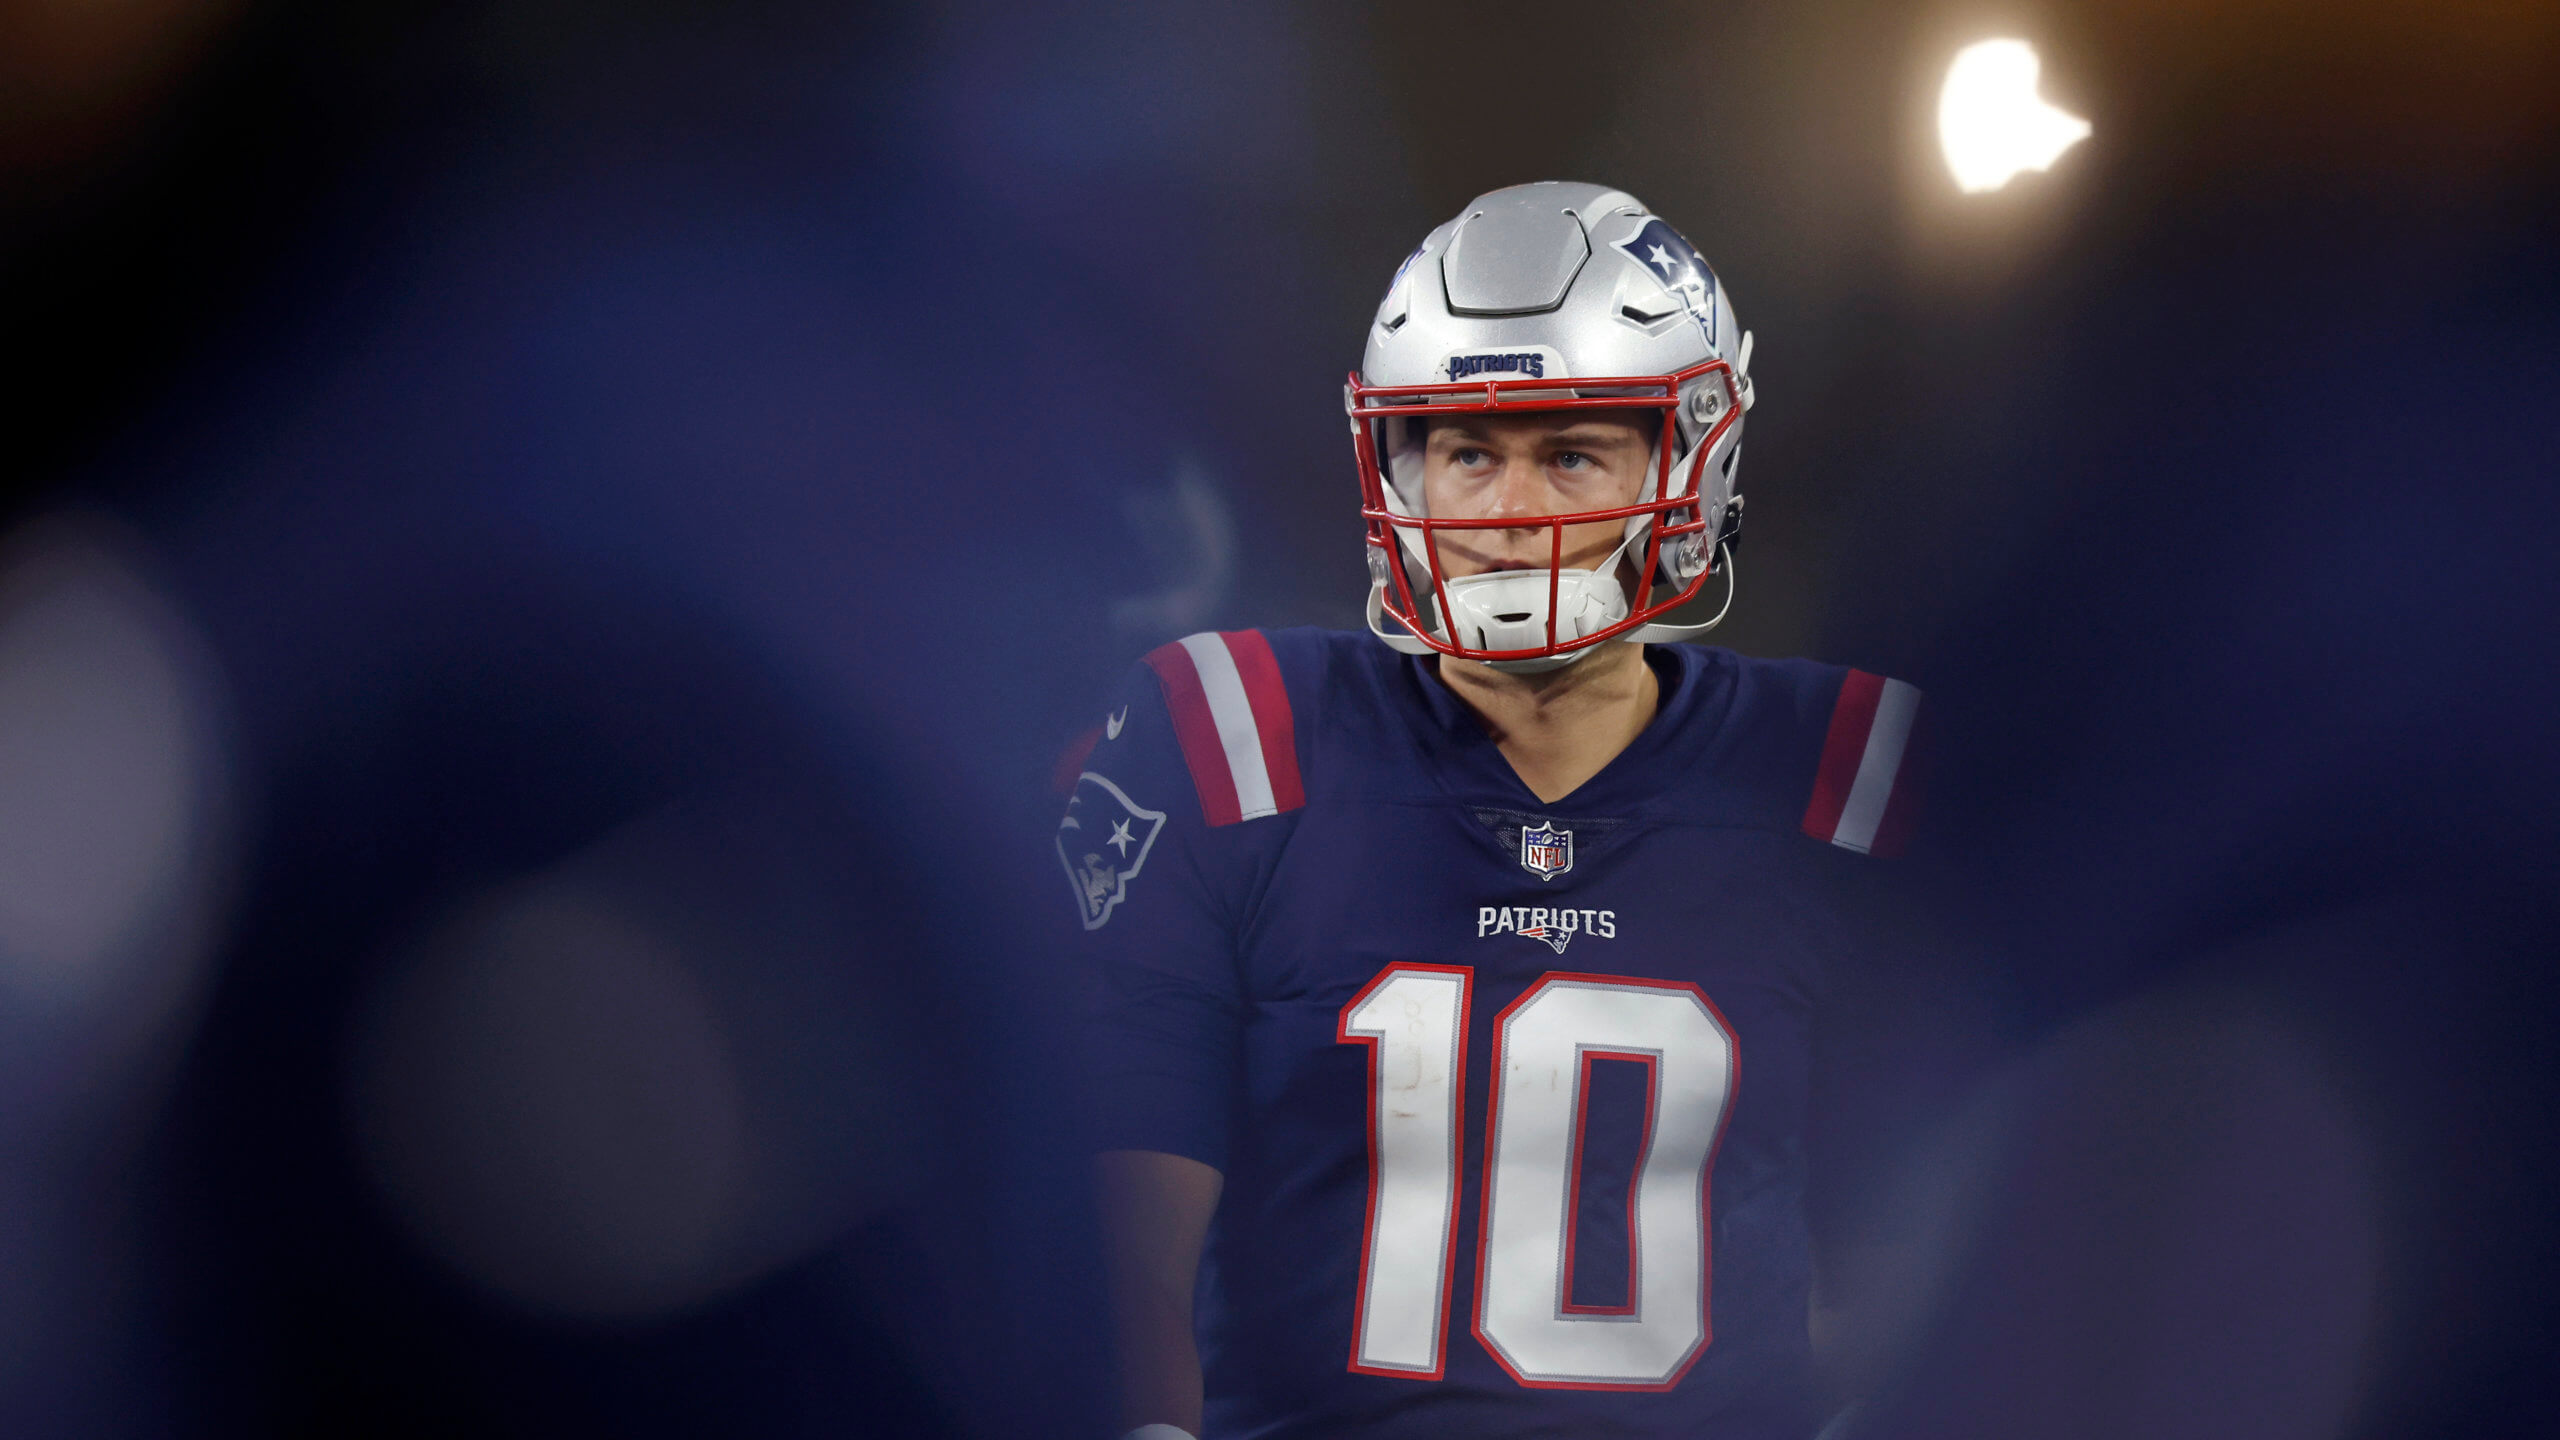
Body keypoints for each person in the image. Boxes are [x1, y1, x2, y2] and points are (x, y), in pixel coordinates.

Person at [1062, 181, 1925, 1440]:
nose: (1505, 514)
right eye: (1466, 451)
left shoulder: (1843, 775)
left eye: (1569, 451)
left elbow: (1940, 1236)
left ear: (1694, 459)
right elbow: (1108, 1222)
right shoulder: (1232, 739)